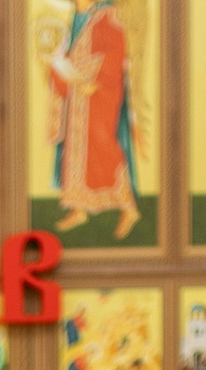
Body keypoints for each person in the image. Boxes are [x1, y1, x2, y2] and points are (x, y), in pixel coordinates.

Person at [47, 0, 142, 239]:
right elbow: (67, 54)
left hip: (98, 95)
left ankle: (129, 209)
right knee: (75, 151)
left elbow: (116, 53)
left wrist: (95, 80)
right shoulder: (73, 19)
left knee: (103, 148)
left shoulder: (107, 15)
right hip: (76, 98)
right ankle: (78, 208)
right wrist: (56, 66)